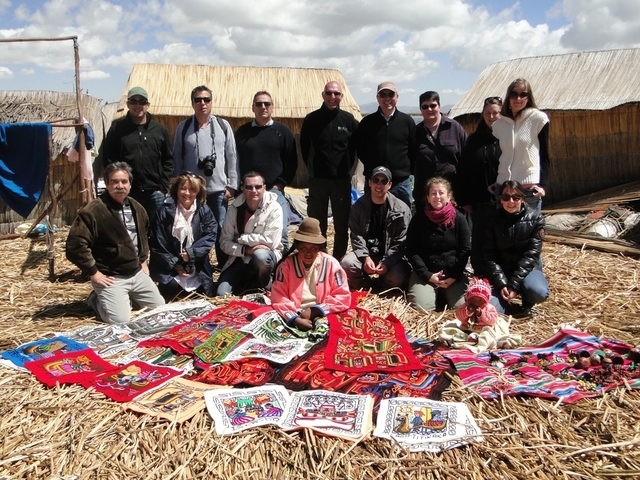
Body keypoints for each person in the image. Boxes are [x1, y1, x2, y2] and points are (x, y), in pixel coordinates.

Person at [66, 162, 165, 324]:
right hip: (111, 276)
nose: (120, 186)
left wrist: (143, 261)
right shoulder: (93, 210)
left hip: (136, 273)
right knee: (120, 321)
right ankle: (96, 300)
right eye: (115, 181)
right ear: (107, 184)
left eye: (124, 181)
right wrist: (94, 273)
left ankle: (125, 297)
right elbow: (75, 246)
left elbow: (143, 236)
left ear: (130, 184)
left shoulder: (137, 208)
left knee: (160, 309)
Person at [172, 85, 239, 267]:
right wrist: (178, 187)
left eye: (206, 99)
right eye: (198, 100)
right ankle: (199, 266)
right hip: (192, 191)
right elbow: (177, 157)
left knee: (221, 229)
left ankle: (225, 266)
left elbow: (231, 156)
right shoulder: (184, 127)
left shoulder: (223, 126)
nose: (203, 103)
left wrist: (232, 184)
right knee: (193, 229)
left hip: (218, 191)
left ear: (211, 102)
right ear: (192, 103)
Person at [300, 81, 358, 260]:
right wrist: (314, 170)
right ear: (323, 95)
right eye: (329, 93)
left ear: (342, 96)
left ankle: (338, 260)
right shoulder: (312, 119)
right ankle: (320, 258)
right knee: (317, 223)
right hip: (318, 179)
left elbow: (354, 149)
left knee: (341, 225)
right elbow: (304, 147)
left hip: (341, 180)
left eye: (336, 93)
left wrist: (347, 171)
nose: (333, 97)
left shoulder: (349, 120)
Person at [234, 91, 297, 251]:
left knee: (281, 232)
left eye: (267, 104)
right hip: (248, 191)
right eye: (259, 104)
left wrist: (279, 185)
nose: (263, 107)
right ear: (252, 107)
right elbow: (234, 160)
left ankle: (281, 270)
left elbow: (292, 161)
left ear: (272, 107)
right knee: (245, 231)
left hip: (273, 191)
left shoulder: (283, 132)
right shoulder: (242, 133)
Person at [102, 87, 173, 221]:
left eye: (142, 102)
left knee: (157, 231)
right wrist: (118, 185)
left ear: (148, 105)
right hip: (128, 192)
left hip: (155, 192)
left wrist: (163, 187)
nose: (138, 105)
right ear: (128, 104)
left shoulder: (158, 130)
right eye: (133, 101)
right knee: (130, 232)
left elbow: (168, 160)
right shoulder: (118, 129)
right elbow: (108, 159)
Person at [271, 217, 351, 331]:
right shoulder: (286, 266)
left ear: (319, 248)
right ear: (297, 247)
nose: (308, 252)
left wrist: (315, 311)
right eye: (303, 247)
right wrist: (294, 319)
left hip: (322, 312)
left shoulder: (331, 264)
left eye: (313, 248)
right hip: (295, 312)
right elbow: (278, 297)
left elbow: (343, 296)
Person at [484, 180, 549, 317]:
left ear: (523, 198)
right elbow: (489, 255)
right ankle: (503, 300)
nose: (511, 201)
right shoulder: (492, 219)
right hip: (501, 270)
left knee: (538, 292)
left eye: (516, 197)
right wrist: (502, 284)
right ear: (500, 200)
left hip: (527, 270)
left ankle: (527, 301)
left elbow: (531, 255)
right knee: (492, 309)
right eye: (506, 197)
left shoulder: (536, 219)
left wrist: (514, 285)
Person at [341, 166, 411, 291]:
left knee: (397, 277)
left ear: (389, 185)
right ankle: (365, 285)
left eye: (383, 181)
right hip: (367, 254)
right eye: (376, 180)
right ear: (369, 182)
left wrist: (387, 262)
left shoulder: (402, 209)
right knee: (347, 264)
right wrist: (365, 257)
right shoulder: (358, 207)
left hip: (390, 257)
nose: (379, 185)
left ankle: (381, 286)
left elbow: (401, 242)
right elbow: (356, 236)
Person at [406, 177, 470, 312]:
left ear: (449, 196)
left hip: (452, 274)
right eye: (433, 193)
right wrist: (427, 275)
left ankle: (444, 293)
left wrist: (454, 276)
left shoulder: (459, 218)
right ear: (428, 198)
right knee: (422, 309)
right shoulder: (418, 219)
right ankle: (432, 293)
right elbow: (412, 250)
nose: (437, 197)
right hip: (425, 273)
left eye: (441, 193)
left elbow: (465, 249)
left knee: (462, 308)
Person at [149, 172, 216, 299]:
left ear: (198, 191)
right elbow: (158, 242)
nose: (187, 193)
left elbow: (210, 235)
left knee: (201, 291)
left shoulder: (204, 211)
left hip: (196, 265)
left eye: (192, 189)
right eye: (183, 188)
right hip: (171, 266)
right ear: (176, 190)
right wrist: (175, 265)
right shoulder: (164, 211)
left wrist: (191, 254)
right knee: (172, 288)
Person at [217, 171, 283, 296]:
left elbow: (269, 241)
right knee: (222, 294)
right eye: (249, 187)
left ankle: (263, 283)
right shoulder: (234, 209)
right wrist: (246, 250)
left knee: (261, 255)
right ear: (242, 188)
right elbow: (224, 242)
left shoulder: (275, 208)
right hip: (239, 258)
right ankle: (248, 283)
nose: (254, 190)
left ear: (264, 187)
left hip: (264, 258)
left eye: (258, 187)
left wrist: (240, 238)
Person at [457, 96, 503, 276]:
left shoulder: (508, 138)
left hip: (504, 201)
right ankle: (480, 279)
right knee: (479, 243)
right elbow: (463, 171)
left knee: (501, 241)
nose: (491, 117)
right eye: (488, 113)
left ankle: (500, 279)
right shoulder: (474, 141)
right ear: (482, 115)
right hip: (480, 201)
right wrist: (464, 199)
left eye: (496, 113)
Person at [492, 78, 550, 212]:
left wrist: (542, 185)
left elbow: (545, 154)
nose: (518, 98)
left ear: (528, 98)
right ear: (508, 97)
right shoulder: (498, 125)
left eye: (523, 94)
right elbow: (497, 154)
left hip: (528, 188)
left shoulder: (538, 119)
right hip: (503, 188)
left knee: (529, 229)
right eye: (514, 94)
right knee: (502, 231)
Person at [355, 82, 416, 207]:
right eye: (383, 95)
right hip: (375, 182)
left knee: (403, 219)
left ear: (397, 97)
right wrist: (373, 167)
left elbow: (414, 149)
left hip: (401, 182)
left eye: (391, 94)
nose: (387, 98)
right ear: (377, 98)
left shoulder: (407, 121)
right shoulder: (367, 123)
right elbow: (360, 149)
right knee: (374, 219)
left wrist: (403, 169)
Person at [413, 91, 467, 207]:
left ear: (439, 106)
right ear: (420, 109)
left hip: (453, 192)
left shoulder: (454, 127)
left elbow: (466, 158)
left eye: (433, 105)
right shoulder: (415, 132)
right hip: (424, 195)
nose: (429, 109)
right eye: (425, 106)